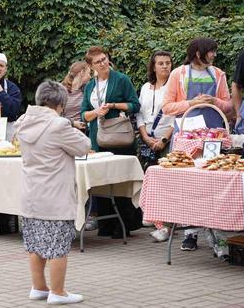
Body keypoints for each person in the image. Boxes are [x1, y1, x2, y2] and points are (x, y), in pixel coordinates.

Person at [14, 80, 91, 304]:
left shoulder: (23, 121)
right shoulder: (59, 126)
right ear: (59, 105)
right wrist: (69, 123)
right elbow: (84, 146)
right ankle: (58, 292)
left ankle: (39, 287)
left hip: (31, 193)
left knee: (35, 243)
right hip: (55, 195)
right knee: (58, 247)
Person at [162, 37, 233, 252]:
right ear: (198, 53)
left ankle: (216, 231)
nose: (213, 55)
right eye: (210, 52)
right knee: (188, 185)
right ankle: (189, 233)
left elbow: (229, 106)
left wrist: (215, 102)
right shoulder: (178, 74)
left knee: (213, 183)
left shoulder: (218, 74)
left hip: (213, 135)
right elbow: (166, 107)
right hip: (187, 137)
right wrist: (190, 103)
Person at [80, 46, 141, 238]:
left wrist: (113, 105)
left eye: (104, 59)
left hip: (118, 137)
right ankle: (106, 224)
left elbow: (135, 105)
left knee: (120, 181)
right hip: (97, 137)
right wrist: (96, 112)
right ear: (91, 66)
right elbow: (84, 114)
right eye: (98, 62)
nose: (103, 63)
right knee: (101, 182)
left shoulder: (121, 79)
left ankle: (125, 224)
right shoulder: (90, 86)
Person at [136, 51, 175, 170]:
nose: (165, 66)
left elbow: (178, 117)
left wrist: (164, 140)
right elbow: (139, 114)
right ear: (153, 67)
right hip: (147, 141)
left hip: (167, 141)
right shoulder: (145, 87)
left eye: (168, 63)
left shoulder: (174, 87)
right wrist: (145, 137)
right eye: (161, 63)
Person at [61, 61, 91, 130]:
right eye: (88, 73)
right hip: (66, 131)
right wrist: (73, 123)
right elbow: (54, 116)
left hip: (84, 132)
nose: (90, 77)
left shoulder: (86, 90)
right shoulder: (61, 91)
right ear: (82, 72)